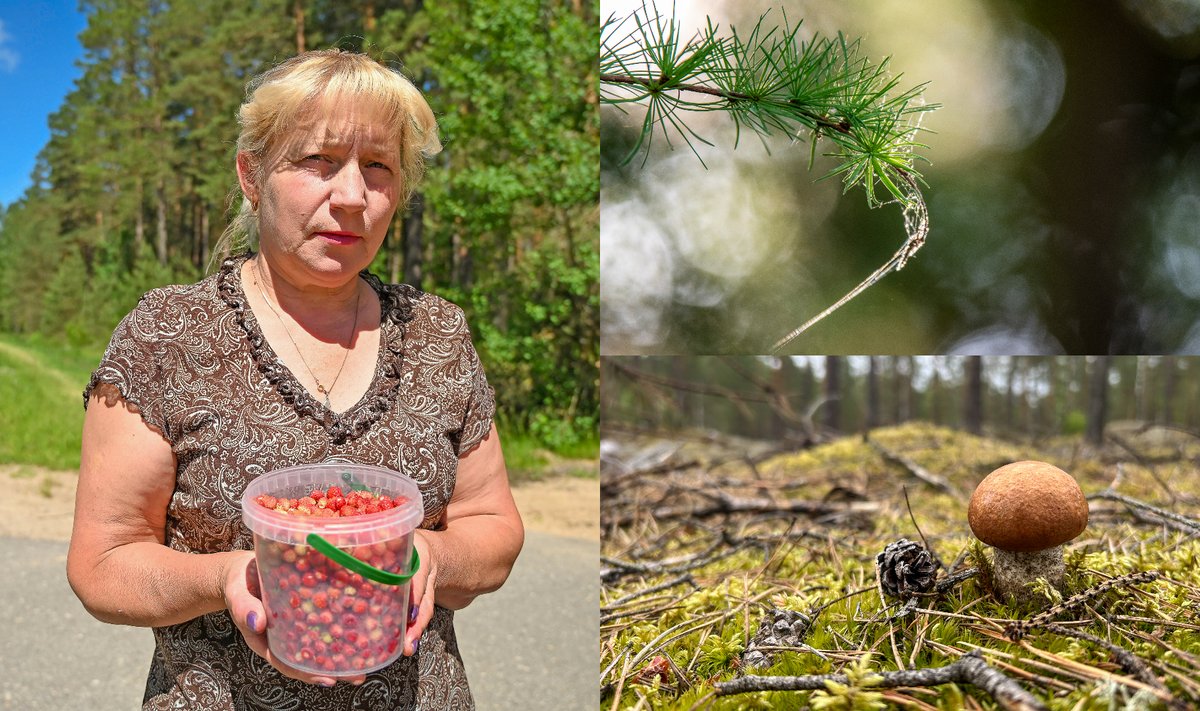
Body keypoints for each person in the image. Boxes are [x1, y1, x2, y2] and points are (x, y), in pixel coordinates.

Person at [66, 49, 524, 710]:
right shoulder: (167, 334)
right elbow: (101, 563)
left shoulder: (437, 334)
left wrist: (430, 555)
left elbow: (493, 527)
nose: (351, 196)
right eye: (317, 161)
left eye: (378, 167)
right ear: (252, 176)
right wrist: (228, 576)